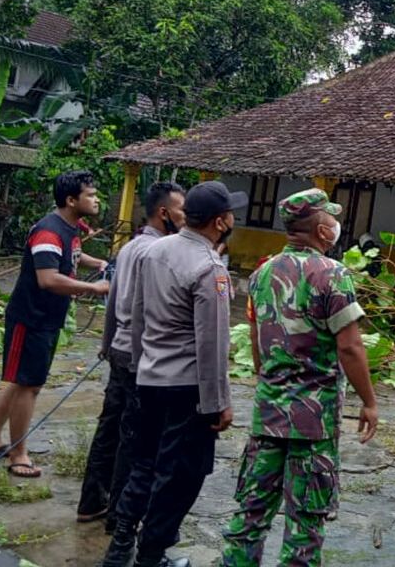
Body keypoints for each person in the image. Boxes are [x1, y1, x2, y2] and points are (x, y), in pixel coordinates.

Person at [221, 188, 379, 567]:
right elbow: (351, 347)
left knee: (251, 513)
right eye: (332, 219)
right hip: (314, 421)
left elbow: (257, 341)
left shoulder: (262, 273)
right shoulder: (333, 275)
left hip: (268, 415)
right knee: (306, 521)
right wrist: (370, 401)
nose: (336, 226)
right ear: (323, 231)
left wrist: (272, 377)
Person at [101, 180, 246, 567]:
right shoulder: (209, 267)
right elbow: (212, 343)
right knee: (180, 476)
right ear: (220, 221)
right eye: (230, 213)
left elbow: (136, 315)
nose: (233, 217)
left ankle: (119, 547)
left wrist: (135, 366)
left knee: (143, 463)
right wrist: (220, 403)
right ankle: (151, 555)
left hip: (148, 378)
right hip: (187, 387)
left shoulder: (153, 251)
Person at [0, 171, 110, 478]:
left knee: (19, 380)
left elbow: (71, 254)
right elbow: (47, 279)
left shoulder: (69, 228)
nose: (96, 199)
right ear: (71, 200)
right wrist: (94, 288)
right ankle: (18, 453)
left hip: (46, 318)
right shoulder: (48, 231)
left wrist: (97, 263)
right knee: (29, 386)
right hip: (31, 318)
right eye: (90, 194)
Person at [77, 181, 186, 527]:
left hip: (120, 351)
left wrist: (107, 344)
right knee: (133, 438)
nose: (186, 217)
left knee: (109, 429)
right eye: (182, 210)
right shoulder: (159, 252)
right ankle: (120, 516)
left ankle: (91, 501)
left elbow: (112, 303)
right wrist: (144, 358)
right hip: (139, 356)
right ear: (164, 212)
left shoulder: (128, 249)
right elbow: (141, 310)